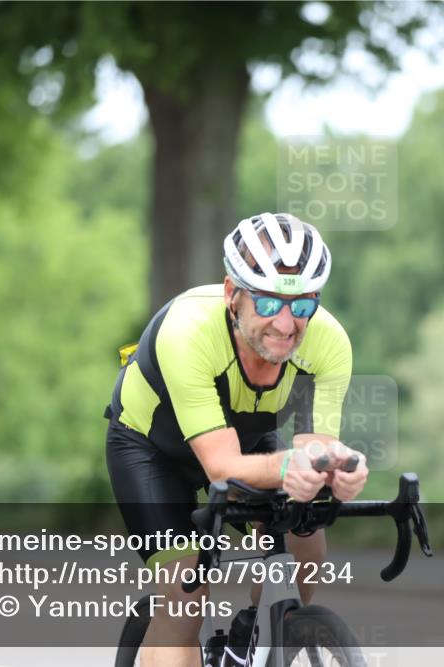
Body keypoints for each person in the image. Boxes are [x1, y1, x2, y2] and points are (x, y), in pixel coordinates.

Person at [105, 212, 369, 666]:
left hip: (246, 441)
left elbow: (314, 447)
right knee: (185, 595)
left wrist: (339, 469)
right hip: (152, 451)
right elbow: (221, 468)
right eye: (267, 303)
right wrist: (288, 468)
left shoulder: (329, 343)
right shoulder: (188, 331)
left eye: (302, 306)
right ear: (233, 294)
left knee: (308, 542)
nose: (285, 325)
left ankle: (254, 641)